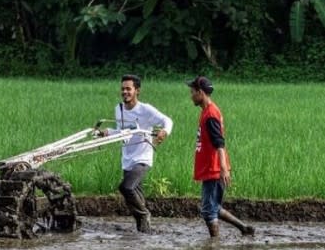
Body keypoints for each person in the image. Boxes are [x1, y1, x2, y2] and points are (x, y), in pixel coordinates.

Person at [100, 74, 173, 233]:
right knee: (135, 199)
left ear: (137, 91)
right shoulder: (118, 109)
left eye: (128, 89)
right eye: (123, 89)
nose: (125, 92)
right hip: (127, 159)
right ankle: (144, 233)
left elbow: (167, 121)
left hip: (142, 158)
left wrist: (164, 132)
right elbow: (122, 132)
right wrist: (107, 132)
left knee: (126, 187)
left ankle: (145, 215)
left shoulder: (145, 110)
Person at [187, 76, 254, 238]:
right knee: (213, 206)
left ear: (200, 93)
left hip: (214, 169)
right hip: (212, 167)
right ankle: (244, 228)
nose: (191, 95)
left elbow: (219, 143)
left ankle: (215, 244)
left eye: (192, 92)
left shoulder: (210, 114)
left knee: (208, 210)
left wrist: (223, 168)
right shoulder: (208, 111)